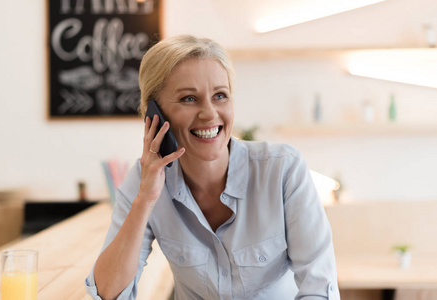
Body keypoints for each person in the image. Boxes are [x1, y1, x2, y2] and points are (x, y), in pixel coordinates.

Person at [85, 35, 340, 300]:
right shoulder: (144, 182)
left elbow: (320, 290)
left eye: (220, 95)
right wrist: (145, 200)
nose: (209, 113)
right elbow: (108, 294)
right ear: (155, 114)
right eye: (189, 99)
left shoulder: (283, 170)